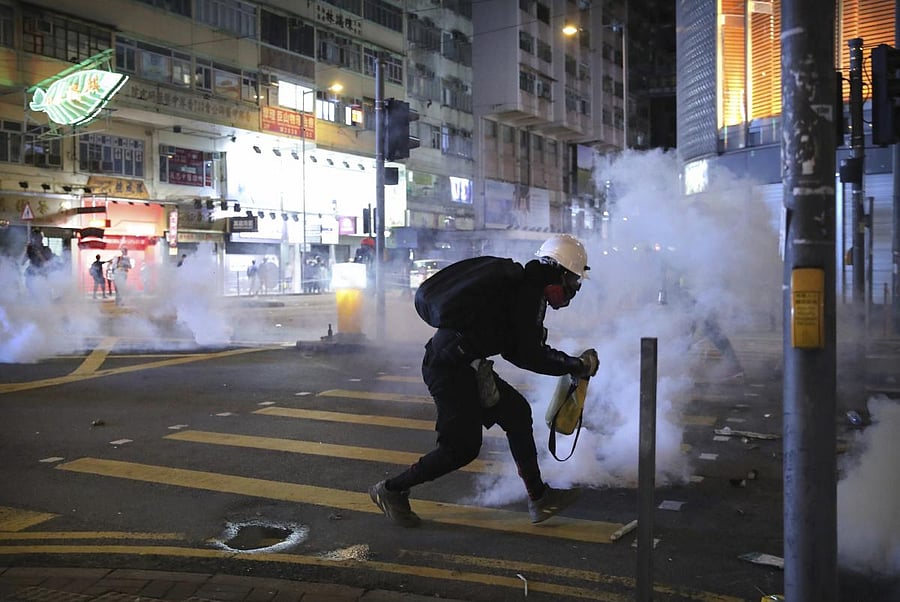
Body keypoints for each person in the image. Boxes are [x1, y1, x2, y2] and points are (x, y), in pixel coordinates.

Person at [369, 234, 599, 527]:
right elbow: (529, 355)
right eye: (574, 282)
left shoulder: (524, 286)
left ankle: (539, 498)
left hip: (468, 365)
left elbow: (517, 348)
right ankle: (391, 490)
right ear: (559, 272)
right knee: (461, 448)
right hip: (450, 369)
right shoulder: (526, 292)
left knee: (517, 414)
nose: (573, 292)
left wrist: (569, 365)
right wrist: (575, 365)